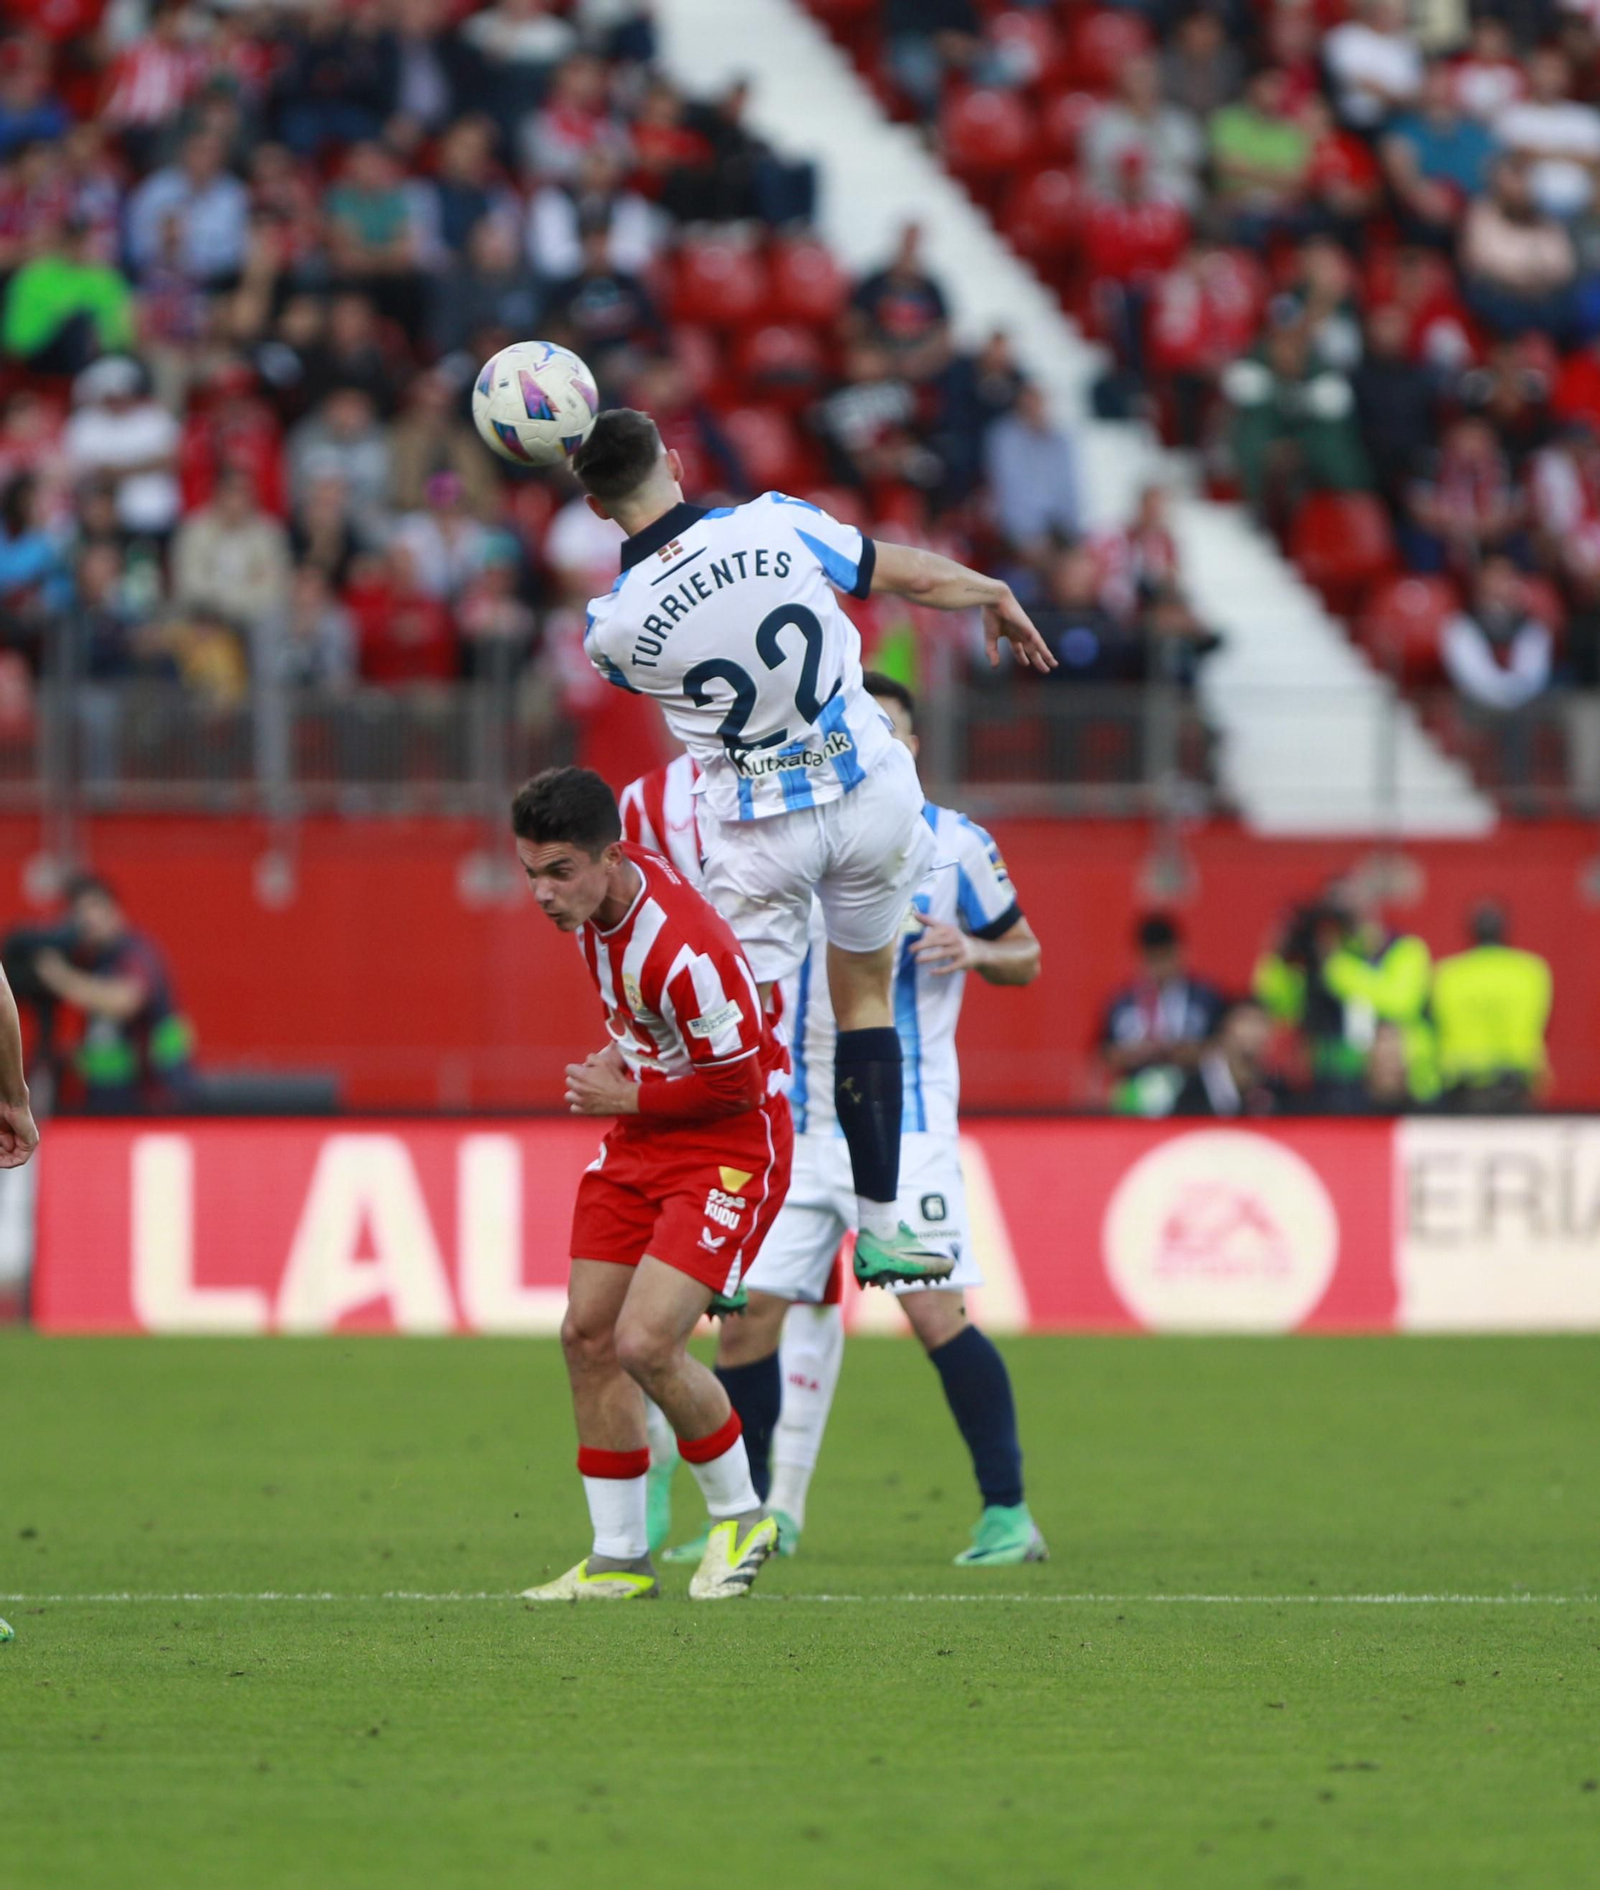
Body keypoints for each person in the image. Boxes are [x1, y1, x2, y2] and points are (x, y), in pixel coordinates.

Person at [575, 408, 1054, 1290]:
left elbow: (650, 661)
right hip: (871, 791)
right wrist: (989, 590)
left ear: (600, 511)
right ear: (675, 463)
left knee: (730, 1031)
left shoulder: (610, 627)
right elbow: (900, 572)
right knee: (866, 998)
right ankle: (881, 1229)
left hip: (761, 831)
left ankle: (714, 1250)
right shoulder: (774, 521)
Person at [654, 676, 1046, 1568]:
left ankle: (1008, 1514)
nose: (879, 744)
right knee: (748, 1320)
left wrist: (979, 950)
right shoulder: (787, 837)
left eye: (893, 731)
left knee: (936, 1315)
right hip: (792, 1125)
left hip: (903, 1131)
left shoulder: (956, 847)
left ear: (909, 748)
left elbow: (1028, 954)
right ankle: (747, 1516)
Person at [511, 767, 788, 1604]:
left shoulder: (683, 950)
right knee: (587, 1336)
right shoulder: (597, 910)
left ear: (609, 855)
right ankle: (619, 1557)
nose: (544, 894)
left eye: (560, 872)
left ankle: (743, 1514)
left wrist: (623, 1090)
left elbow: (738, 1086)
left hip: (727, 1147)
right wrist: (626, 1059)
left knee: (645, 1344)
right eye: (531, 873)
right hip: (646, 1135)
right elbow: (649, 1030)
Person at [30, 874, 195, 1112]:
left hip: (156, 1095)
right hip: (108, 1095)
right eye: (79, 912)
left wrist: (60, 978)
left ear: (115, 910)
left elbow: (126, 1000)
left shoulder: (137, 954)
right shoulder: (89, 959)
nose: (88, 919)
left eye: (95, 908)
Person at [1099, 912, 1225, 1116]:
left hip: (1194, 1100)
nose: (1159, 967)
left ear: (1180, 952)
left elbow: (1221, 1047)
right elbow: (1103, 1054)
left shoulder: (1205, 998)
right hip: (1135, 1100)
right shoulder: (1122, 1003)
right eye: (1152, 958)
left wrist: (1180, 1052)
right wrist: (1136, 1054)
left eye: (1165, 956)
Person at [1431, 903, 1552, 1112]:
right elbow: (1541, 1022)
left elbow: (1437, 1024)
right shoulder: (1531, 972)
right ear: (1505, 930)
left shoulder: (1447, 974)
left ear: (1470, 931)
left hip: (1463, 1088)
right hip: (1516, 1084)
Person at [1171, 997, 1288, 1116]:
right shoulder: (1195, 1088)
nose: (1252, 1032)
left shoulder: (1277, 1088)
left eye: (1260, 1023)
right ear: (1225, 1028)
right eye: (1245, 1021)